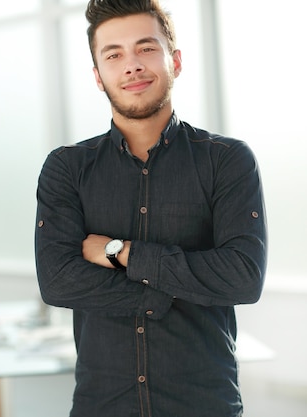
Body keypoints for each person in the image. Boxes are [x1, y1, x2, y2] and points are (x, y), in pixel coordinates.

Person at [34, 1, 267, 416]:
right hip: (102, 405)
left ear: (174, 61)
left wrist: (120, 253)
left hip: (204, 405)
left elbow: (242, 278)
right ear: (98, 76)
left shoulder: (227, 160)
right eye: (114, 54)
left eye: (146, 49)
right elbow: (57, 281)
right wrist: (170, 291)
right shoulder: (67, 167)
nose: (131, 66)